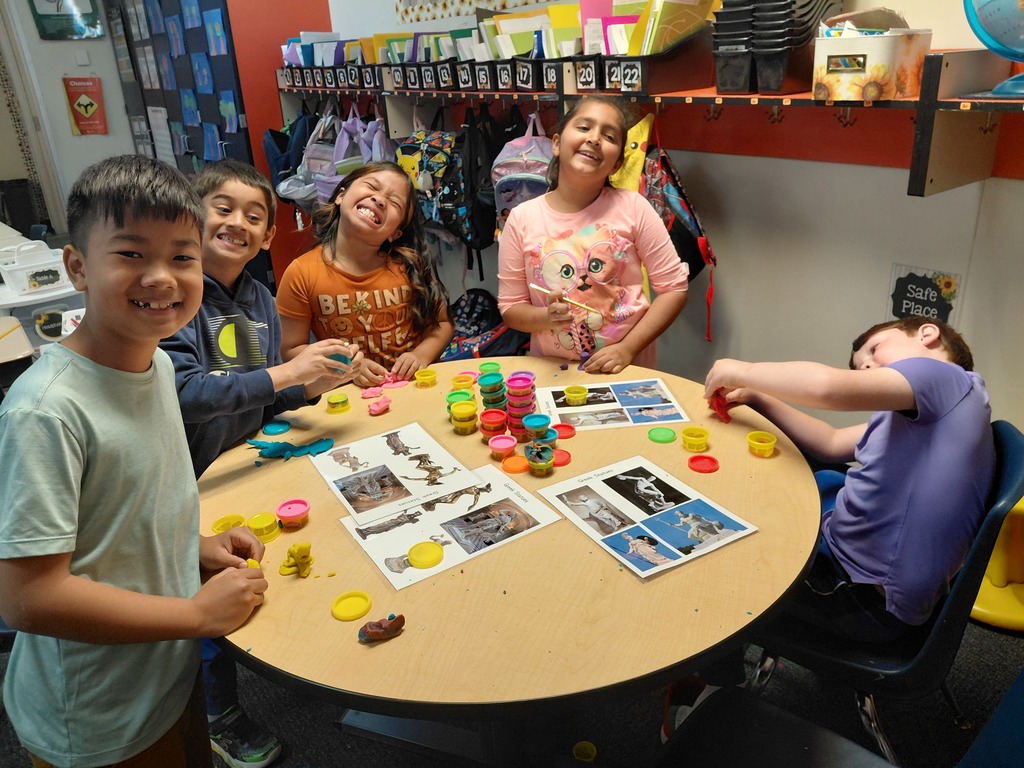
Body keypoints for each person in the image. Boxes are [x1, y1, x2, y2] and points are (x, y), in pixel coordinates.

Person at [0, 155, 269, 767]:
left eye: (181, 257)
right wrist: (195, 614)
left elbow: (129, 504)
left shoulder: (159, 364)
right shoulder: (45, 411)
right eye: (129, 254)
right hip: (96, 718)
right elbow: (28, 598)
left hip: (166, 675)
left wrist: (194, 545)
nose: (161, 278)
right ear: (77, 266)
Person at [663, 315, 995, 741]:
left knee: (708, 564)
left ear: (928, 334)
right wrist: (759, 398)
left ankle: (721, 689)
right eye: (860, 368)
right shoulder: (925, 412)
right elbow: (831, 442)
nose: (867, 369)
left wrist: (738, 368)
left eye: (875, 352)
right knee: (807, 484)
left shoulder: (947, 379)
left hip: (859, 598)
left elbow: (825, 388)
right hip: (862, 570)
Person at [159, 159, 360, 768]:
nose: (238, 223)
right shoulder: (177, 294)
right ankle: (218, 713)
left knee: (269, 565)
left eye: (254, 216)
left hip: (247, 461)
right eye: (223, 208)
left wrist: (319, 379)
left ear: (270, 235)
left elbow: (263, 389)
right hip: (190, 476)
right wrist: (287, 372)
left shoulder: (259, 297)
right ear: (194, 215)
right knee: (212, 596)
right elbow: (186, 392)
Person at [496, 96, 689, 374]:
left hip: (627, 370)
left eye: (609, 136)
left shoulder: (633, 207)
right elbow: (511, 307)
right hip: (554, 372)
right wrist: (545, 317)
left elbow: (674, 289)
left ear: (617, 163)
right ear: (557, 144)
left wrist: (628, 348)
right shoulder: (521, 218)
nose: (595, 139)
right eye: (584, 128)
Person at [275, 161, 453, 388]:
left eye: (394, 202)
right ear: (341, 196)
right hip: (348, 398)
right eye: (372, 186)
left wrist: (421, 355)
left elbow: (442, 323)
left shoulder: (410, 266)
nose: (379, 200)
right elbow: (291, 350)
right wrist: (346, 367)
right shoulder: (301, 273)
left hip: (416, 388)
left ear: (395, 232)